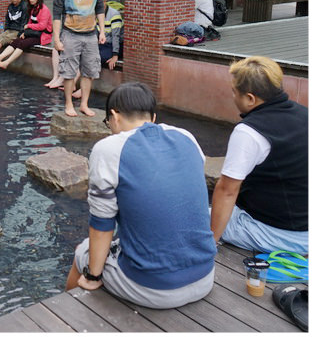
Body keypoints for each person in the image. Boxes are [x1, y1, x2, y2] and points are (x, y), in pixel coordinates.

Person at [66, 82, 216, 309]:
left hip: (154, 288)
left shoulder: (108, 148)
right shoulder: (186, 136)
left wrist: (93, 276)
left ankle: (66, 319)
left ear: (114, 116)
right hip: (206, 275)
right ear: (153, 117)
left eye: (108, 123)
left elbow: (101, 224)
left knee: (83, 252)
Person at [210, 56, 308, 254]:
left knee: (193, 216)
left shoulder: (249, 132)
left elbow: (227, 190)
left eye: (234, 92)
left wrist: (210, 241)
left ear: (250, 99)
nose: (233, 97)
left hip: (281, 234)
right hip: (305, 224)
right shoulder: (306, 114)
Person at [52, 0, 106, 117]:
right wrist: (56, 39)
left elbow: (99, 9)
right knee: (68, 72)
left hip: (90, 34)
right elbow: (56, 15)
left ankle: (84, 104)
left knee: (89, 71)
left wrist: (102, 31)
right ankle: (69, 104)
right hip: (71, 34)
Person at [0, 0, 52, 70]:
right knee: (16, 41)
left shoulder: (44, 9)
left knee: (22, 44)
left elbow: (42, 26)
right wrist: (24, 32)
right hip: (32, 33)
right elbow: (30, 21)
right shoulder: (33, 8)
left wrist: (28, 26)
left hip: (42, 36)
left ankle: (6, 63)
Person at [99, 0, 124, 70]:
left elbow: (116, 37)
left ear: (104, 2)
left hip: (115, 44)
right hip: (104, 43)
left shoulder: (114, 15)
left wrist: (115, 55)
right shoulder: (96, 14)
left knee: (97, 57)